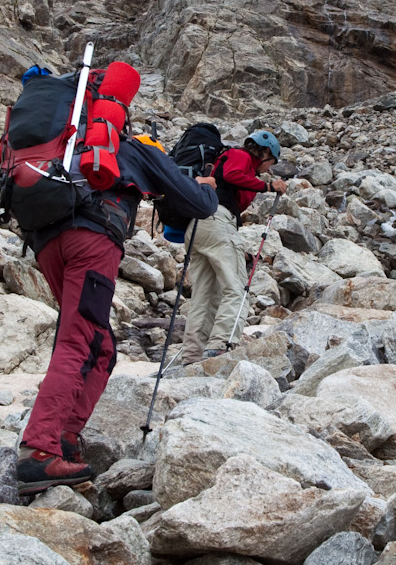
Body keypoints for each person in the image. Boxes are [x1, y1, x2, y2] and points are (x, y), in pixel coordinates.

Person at [17, 134, 218, 493]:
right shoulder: (134, 147)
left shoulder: (68, 146)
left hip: (45, 241)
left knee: (98, 343)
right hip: (91, 239)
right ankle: (38, 451)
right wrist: (205, 185)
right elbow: (198, 204)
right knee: (81, 340)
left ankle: (63, 438)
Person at [182, 129, 288, 358]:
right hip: (217, 222)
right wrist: (269, 187)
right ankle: (221, 345)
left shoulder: (230, 162)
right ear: (265, 152)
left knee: (204, 295)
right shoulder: (241, 156)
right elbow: (231, 175)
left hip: (199, 228)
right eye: (270, 163)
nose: (268, 169)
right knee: (236, 288)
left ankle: (192, 355)